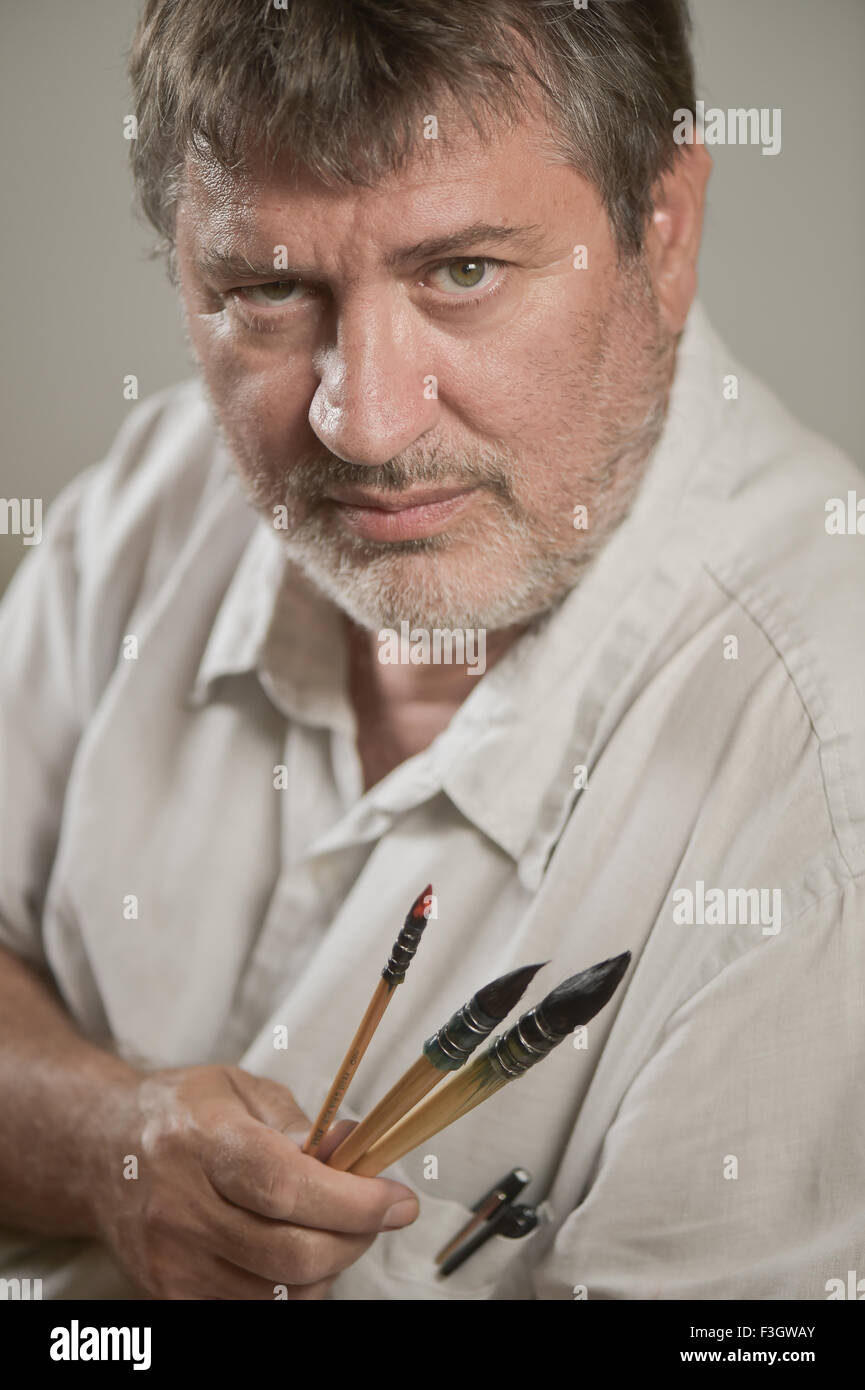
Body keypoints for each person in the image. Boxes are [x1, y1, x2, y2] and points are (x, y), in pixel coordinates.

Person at [0, 0, 862, 1302]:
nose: (362, 422)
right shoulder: (153, 495)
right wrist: (103, 1144)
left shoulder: (826, 780)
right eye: (271, 290)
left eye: (462, 271)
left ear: (664, 229)